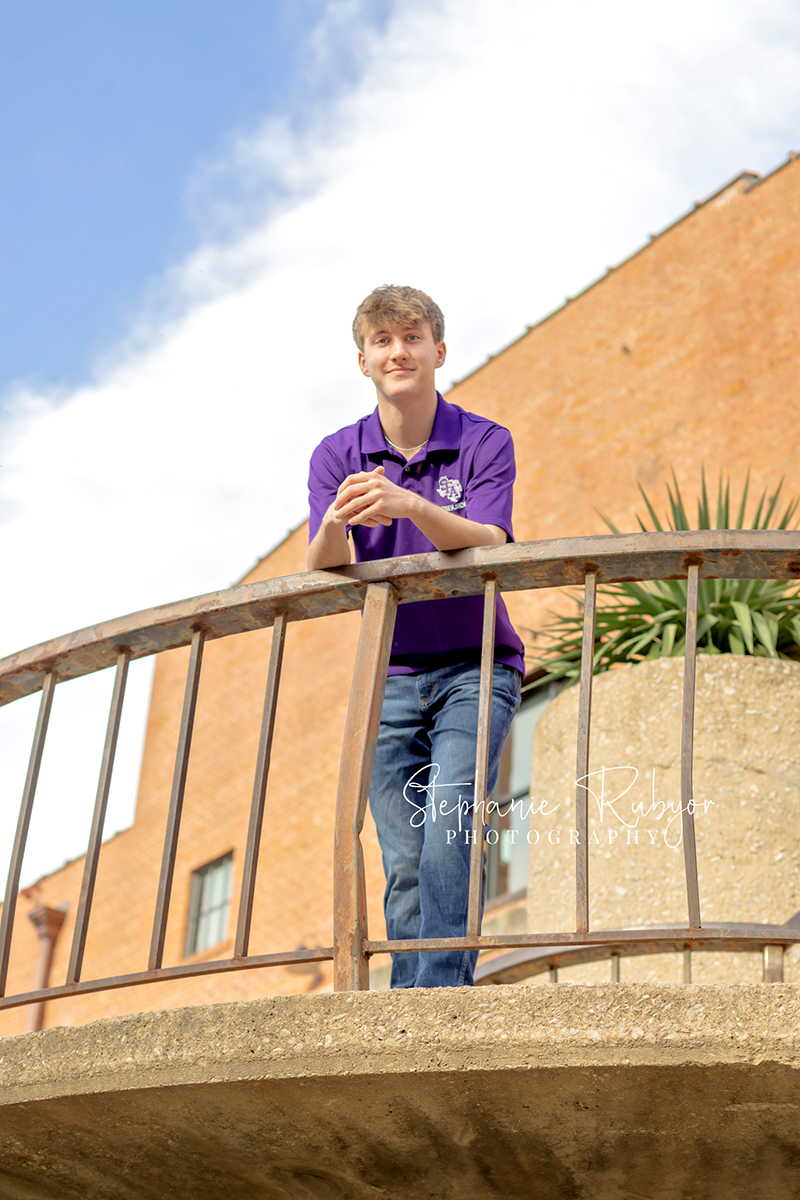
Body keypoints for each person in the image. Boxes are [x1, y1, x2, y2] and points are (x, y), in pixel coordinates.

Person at [307, 285, 524, 988]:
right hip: (390, 675)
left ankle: (440, 999)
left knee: (447, 834)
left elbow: (489, 539)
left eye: (410, 337)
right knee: (402, 856)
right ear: (363, 360)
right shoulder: (337, 453)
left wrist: (409, 504)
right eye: (382, 341)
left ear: (437, 350)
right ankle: (407, 1006)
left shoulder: (485, 440)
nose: (397, 351)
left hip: (476, 667)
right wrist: (337, 524)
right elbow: (323, 562)